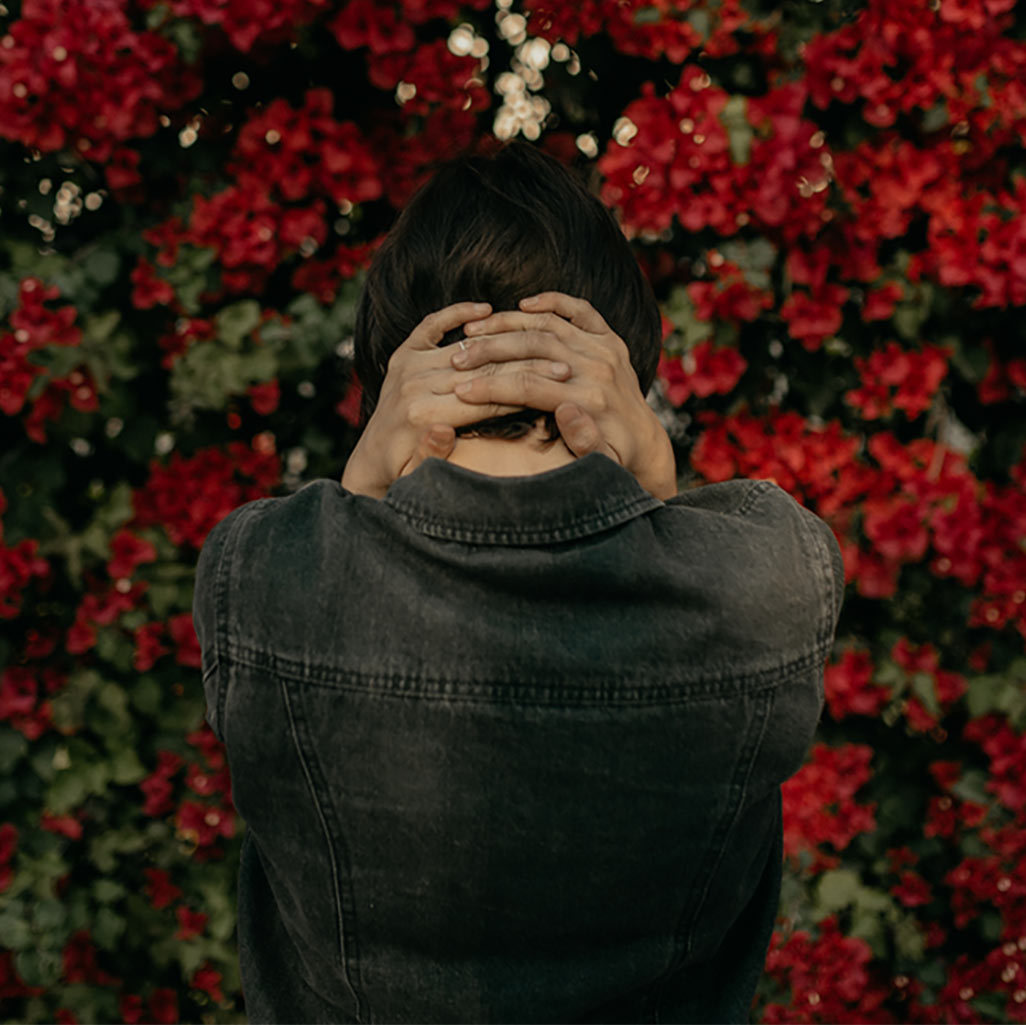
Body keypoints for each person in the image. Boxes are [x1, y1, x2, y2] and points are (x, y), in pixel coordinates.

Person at [193, 140, 844, 1024]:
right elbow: (709, 542)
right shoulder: (764, 590)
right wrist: (651, 471)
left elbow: (328, 561)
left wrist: (362, 475)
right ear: (621, 376)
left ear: (391, 381)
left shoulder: (261, 580)